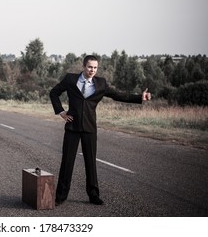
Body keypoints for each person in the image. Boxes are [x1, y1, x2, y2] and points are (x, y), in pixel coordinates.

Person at [49, 55, 151, 206]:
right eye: (90, 67)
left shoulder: (101, 83)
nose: (92, 70)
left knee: (91, 162)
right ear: (84, 66)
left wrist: (139, 98)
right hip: (72, 126)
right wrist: (61, 112)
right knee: (67, 162)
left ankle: (93, 195)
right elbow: (54, 92)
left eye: (95, 68)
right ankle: (60, 196)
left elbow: (118, 95)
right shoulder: (71, 79)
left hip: (90, 128)